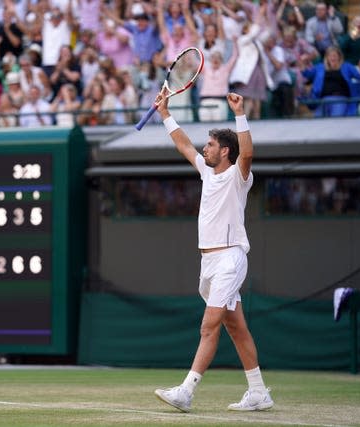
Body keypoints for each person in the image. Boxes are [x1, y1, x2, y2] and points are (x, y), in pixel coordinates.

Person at [153, 90, 273, 413]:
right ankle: (259, 391)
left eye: (210, 145)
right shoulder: (207, 172)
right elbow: (182, 143)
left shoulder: (239, 175)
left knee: (209, 326)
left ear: (225, 151)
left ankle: (186, 390)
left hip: (230, 259)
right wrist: (165, 114)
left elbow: (247, 153)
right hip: (208, 262)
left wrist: (240, 114)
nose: (204, 148)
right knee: (236, 327)